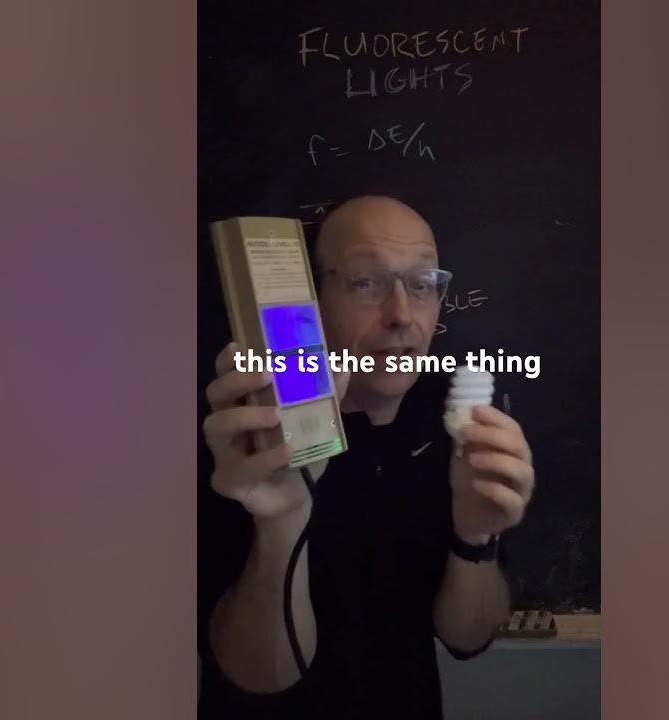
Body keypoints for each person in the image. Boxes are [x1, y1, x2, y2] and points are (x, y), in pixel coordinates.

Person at [198, 195, 536, 718]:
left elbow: (467, 639)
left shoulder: (457, 423)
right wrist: (282, 526)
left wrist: (476, 538)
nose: (401, 315)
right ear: (311, 297)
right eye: (365, 282)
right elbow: (259, 678)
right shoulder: (245, 433)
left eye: (422, 284)